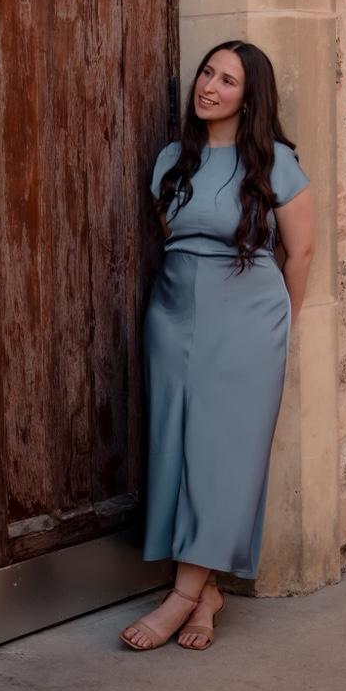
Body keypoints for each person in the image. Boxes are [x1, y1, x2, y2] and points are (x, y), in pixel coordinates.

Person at [122, 40, 315, 651]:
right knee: (176, 451)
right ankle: (206, 596)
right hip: (172, 317)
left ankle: (180, 598)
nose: (209, 86)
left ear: (249, 97)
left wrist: (282, 327)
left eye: (227, 80)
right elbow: (173, 236)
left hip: (247, 326)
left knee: (222, 457)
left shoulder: (276, 163)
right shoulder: (172, 158)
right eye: (207, 73)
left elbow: (301, 252)